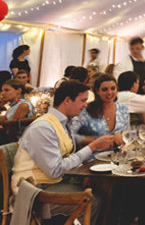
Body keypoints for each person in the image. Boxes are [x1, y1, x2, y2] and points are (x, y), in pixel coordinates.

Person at [12, 81, 118, 223]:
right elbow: (55, 170)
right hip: (34, 190)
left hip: (54, 182)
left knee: (105, 189)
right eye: (83, 100)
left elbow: (65, 157)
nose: (85, 105)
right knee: (94, 201)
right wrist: (92, 147)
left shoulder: (64, 123)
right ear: (68, 100)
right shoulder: (44, 127)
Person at [70, 74, 130, 148]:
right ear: (97, 91)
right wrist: (95, 141)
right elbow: (68, 135)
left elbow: (128, 135)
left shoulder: (123, 109)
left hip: (118, 156)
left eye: (113, 88)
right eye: (104, 89)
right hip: (93, 157)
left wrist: (122, 137)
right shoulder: (86, 111)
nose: (109, 92)